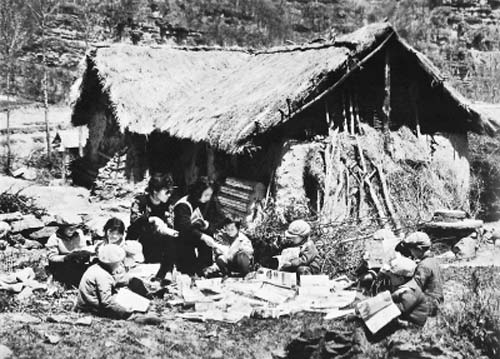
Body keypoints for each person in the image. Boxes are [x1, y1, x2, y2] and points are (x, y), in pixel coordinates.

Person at [76, 244, 159, 325]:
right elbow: (107, 303)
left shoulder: (98, 268)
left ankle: (143, 306)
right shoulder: (103, 276)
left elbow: (119, 279)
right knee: (131, 305)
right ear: (112, 263)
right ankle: (135, 317)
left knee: (135, 299)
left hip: (91, 302)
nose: (120, 263)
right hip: (91, 307)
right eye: (119, 262)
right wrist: (126, 312)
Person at [127, 174, 178, 278]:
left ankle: (167, 271)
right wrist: (151, 219)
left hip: (160, 240)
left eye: (170, 192)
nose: (169, 195)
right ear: (155, 191)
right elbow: (134, 221)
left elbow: (171, 222)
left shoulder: (168, 204)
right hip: (141, 239)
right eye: (166, 192)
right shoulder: (140, 201)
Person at [169, 177, 220, 276]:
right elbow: (184, 228)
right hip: (183, 238)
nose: (208, 198)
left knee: (207, 239)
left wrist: (207, 226)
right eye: (206, 195)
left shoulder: (207, 202)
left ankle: (205, 268)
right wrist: (203, 236)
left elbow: (218, 219)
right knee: (187, 270)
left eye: (210, 195)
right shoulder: (183, 205)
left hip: (198, 235)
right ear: (198, 192)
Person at [398, 231, 443, 316]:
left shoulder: (424, 265)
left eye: (411, 250)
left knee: (398, 306)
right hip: (436, 300)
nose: (411, 253)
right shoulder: (432, 260)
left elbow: (415, 287)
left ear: (419, 249)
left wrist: (399, 290)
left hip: (430, 303)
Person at [46, 213, 93, 287]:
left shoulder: (79, 234)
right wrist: (66, 257)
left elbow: (83, 247)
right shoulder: (54, 238)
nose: (73, 231)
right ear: (62, 228)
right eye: (70, 229)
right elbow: (51, 257)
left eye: (75, 228)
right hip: (62, 265)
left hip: (77, 262)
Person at [381, 255, 429, 326]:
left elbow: (401, 309)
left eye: (391, 277)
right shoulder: (408, 285)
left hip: (413, 324)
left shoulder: (410, 292)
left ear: (400, 279)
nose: (390, 279)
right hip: (407, 317)